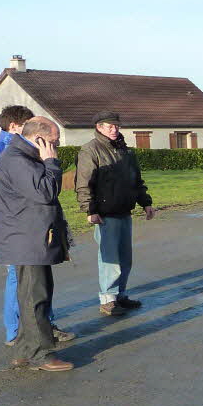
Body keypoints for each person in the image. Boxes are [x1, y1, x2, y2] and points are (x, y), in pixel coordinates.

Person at [0, 115, 73, 371]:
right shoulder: (19, 161)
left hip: (29, 237)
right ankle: (41, 354)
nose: (56, 146)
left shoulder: (21, 157)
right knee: (35, 297)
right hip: (26, 238)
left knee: (31, 296)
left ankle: (25, 349)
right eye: (54, 141)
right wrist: (51, 163)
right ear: (39, 138)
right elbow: (45, 193)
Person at [75, 112, 156, 317]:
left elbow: (136, 180)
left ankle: (120, 295)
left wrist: (146, 203)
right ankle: (108, 300)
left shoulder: (125, 151)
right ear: (99, 127)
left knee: (125, 259)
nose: (114, 129)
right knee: (110, 260)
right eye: (109, 126)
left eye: (116, 126)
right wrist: (89, 210)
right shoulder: (90, 150)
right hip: (105, 214)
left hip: (124, 212)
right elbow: (84, 183)